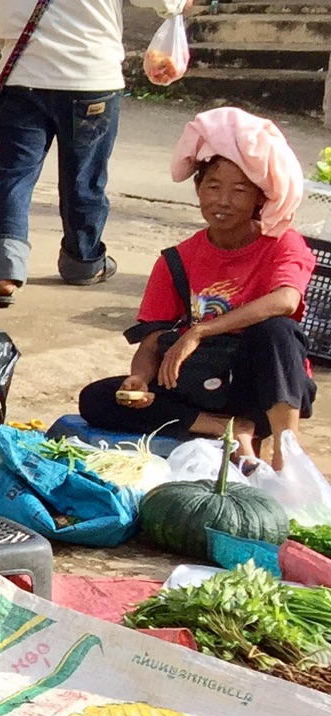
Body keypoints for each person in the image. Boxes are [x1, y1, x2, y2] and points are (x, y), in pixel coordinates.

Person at [79, 108, 314, 470]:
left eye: (239, 190)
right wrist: (140, 378)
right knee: (96, 399)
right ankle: (229, 430)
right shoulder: (177, 259)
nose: (222, 201)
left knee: (277, 330)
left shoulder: (283, 243)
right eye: (212, 187)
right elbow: (154, 338)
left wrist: (200, 330)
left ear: (259, 199)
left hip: (263, 390)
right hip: (198, 384)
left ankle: (286, 456)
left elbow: (286, 300)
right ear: (198, 190)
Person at [0, 0, 187, 307]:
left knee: (14, 176)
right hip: (91, 77)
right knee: (84, 177)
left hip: (23, 76)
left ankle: (4, 270)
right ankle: (82, 261)